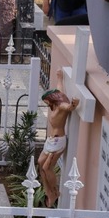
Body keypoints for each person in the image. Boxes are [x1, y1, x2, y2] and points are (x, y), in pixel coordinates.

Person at [38, 70, 79, 208]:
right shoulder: (56, 104)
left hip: (58, 141)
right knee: (40, 163)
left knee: (47, 167)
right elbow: (60, 89)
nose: (46, 104)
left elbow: (69, 107)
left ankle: (55, 192)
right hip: (50, 140)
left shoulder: (61, 106)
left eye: (46, 101)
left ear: (52, 98)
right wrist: (59, 77)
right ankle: (48, 190)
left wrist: (74, 104)